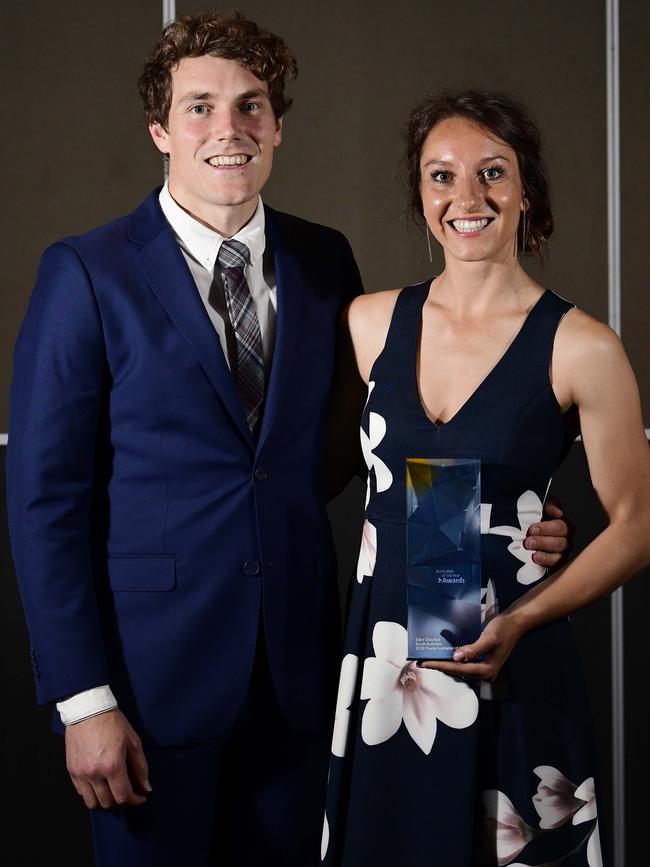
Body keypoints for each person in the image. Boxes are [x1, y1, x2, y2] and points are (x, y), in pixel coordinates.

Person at [5, 12, 569, 866]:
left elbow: (373, 451)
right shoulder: (87, 272)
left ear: (277, 126)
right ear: (160, 130)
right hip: (151, 690)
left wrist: (506, 520)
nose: (226, 130)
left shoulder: (323, 263)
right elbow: (45, 502)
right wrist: (84, 701)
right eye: (199, 107)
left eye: (250, 106)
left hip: (310, 681)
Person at [322, 90, 650, 867]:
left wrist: (523, 614)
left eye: (492, 173)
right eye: (442, 177)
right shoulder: (368, 324)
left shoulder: (581, 346)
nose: (467, 198)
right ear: (419, 196)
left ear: (526, 187)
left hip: (512, 650)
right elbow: (320, 473)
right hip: (386, 666)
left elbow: (638, 524)